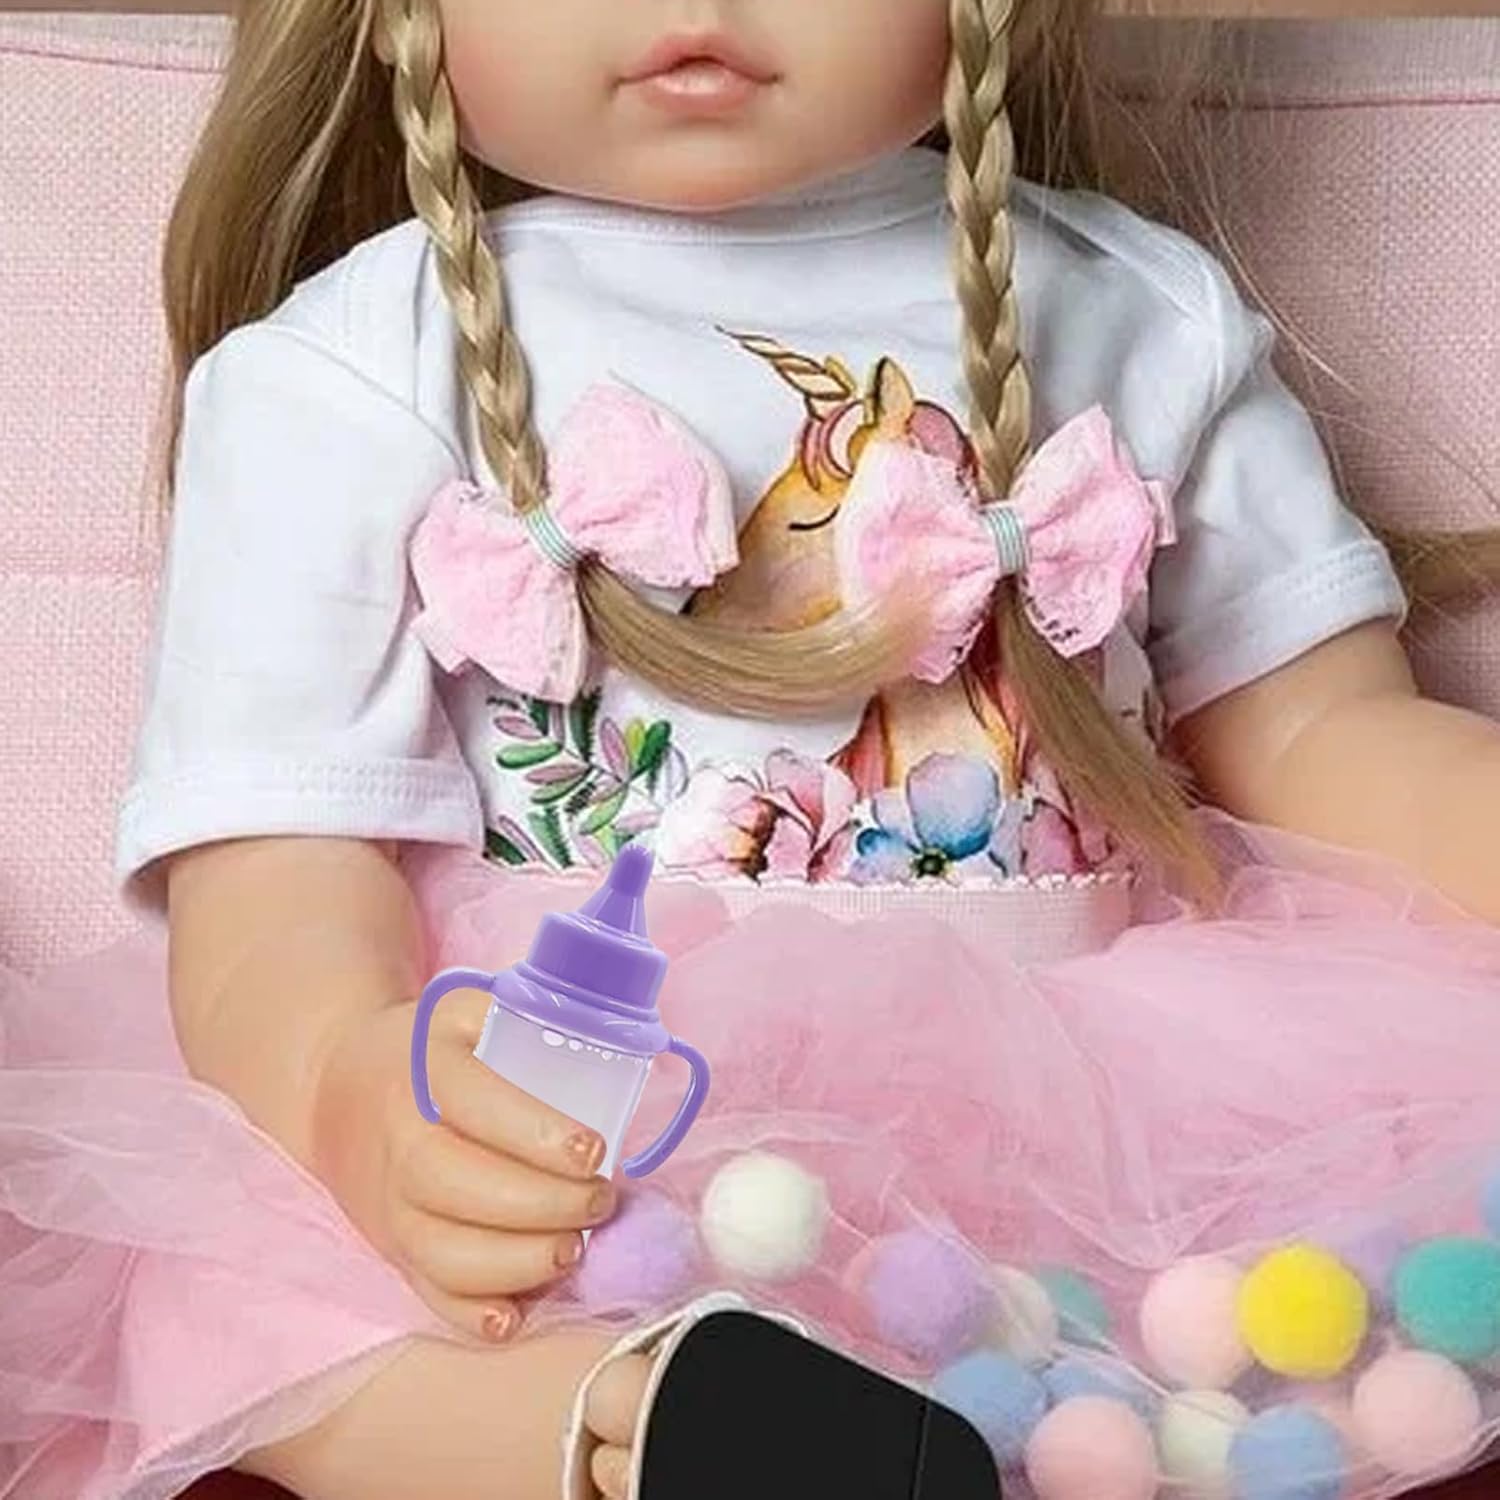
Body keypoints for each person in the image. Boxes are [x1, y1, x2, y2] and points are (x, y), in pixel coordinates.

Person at [3, 0, 1500, 1497]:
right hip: (595, 1117)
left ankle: (1068, 1423)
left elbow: (1324, 729)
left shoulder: (1134, 314)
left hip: (1078, 1125)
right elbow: (275, 868)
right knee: (239, 1308)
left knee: (1362, 1246)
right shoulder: (350, 367)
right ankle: (643, 1429)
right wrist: (348, 1084)